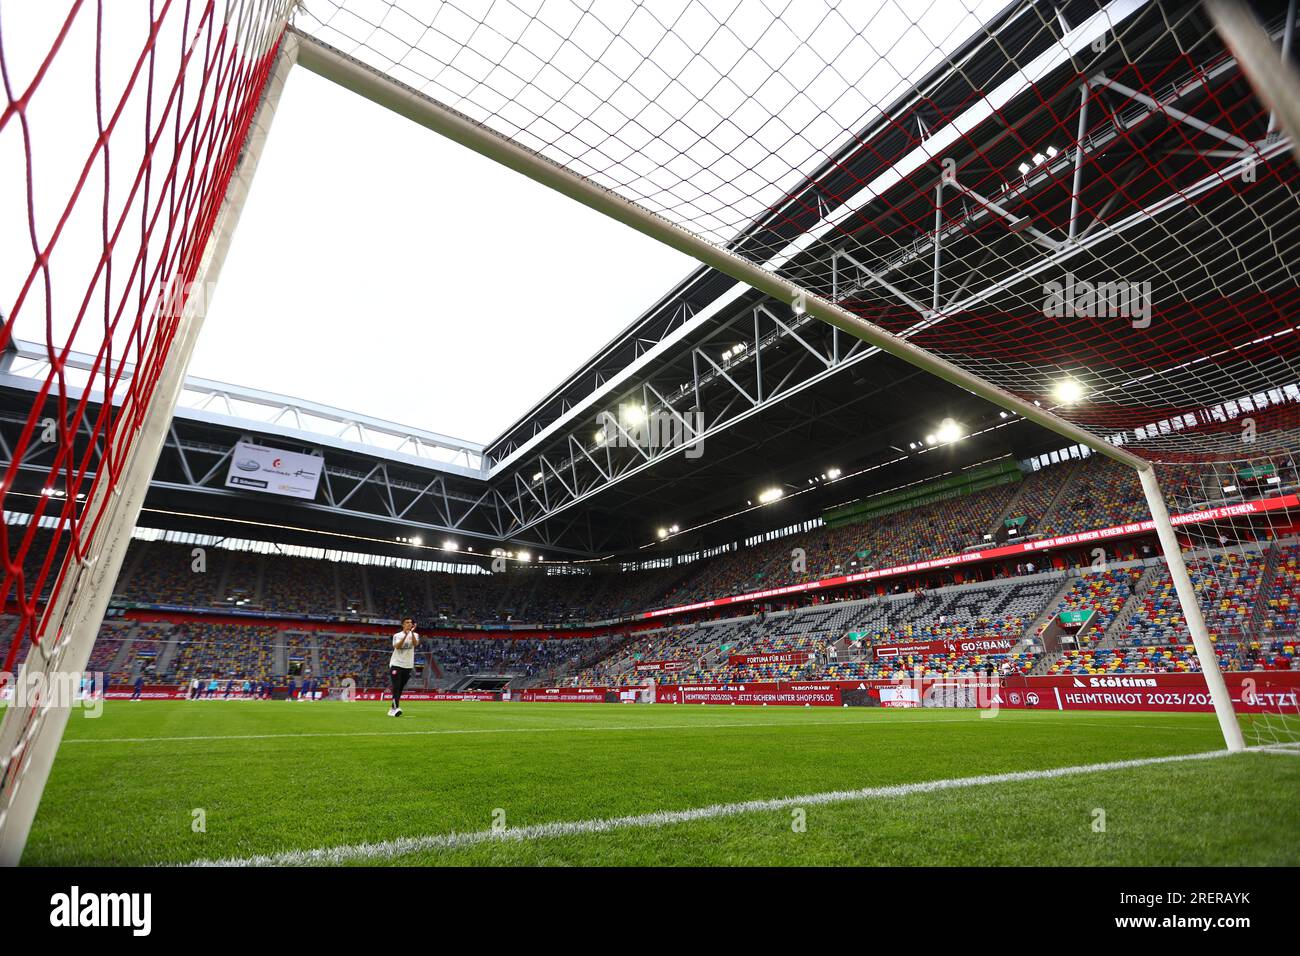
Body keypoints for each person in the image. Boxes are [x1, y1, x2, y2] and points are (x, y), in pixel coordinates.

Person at [389, 617, 419, 717]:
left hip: (408, 665)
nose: (409, 624)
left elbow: (415, 644)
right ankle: (395, 708)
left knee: (400, 688)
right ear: (403, 624)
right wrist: (405, 636)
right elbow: (397, 646)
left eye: (411, 623)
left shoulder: (415, 635)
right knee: (396, 686)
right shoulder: (397, 635)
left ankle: (392, 708)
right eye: (407, 622)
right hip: (396, 664)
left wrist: (411, 634)